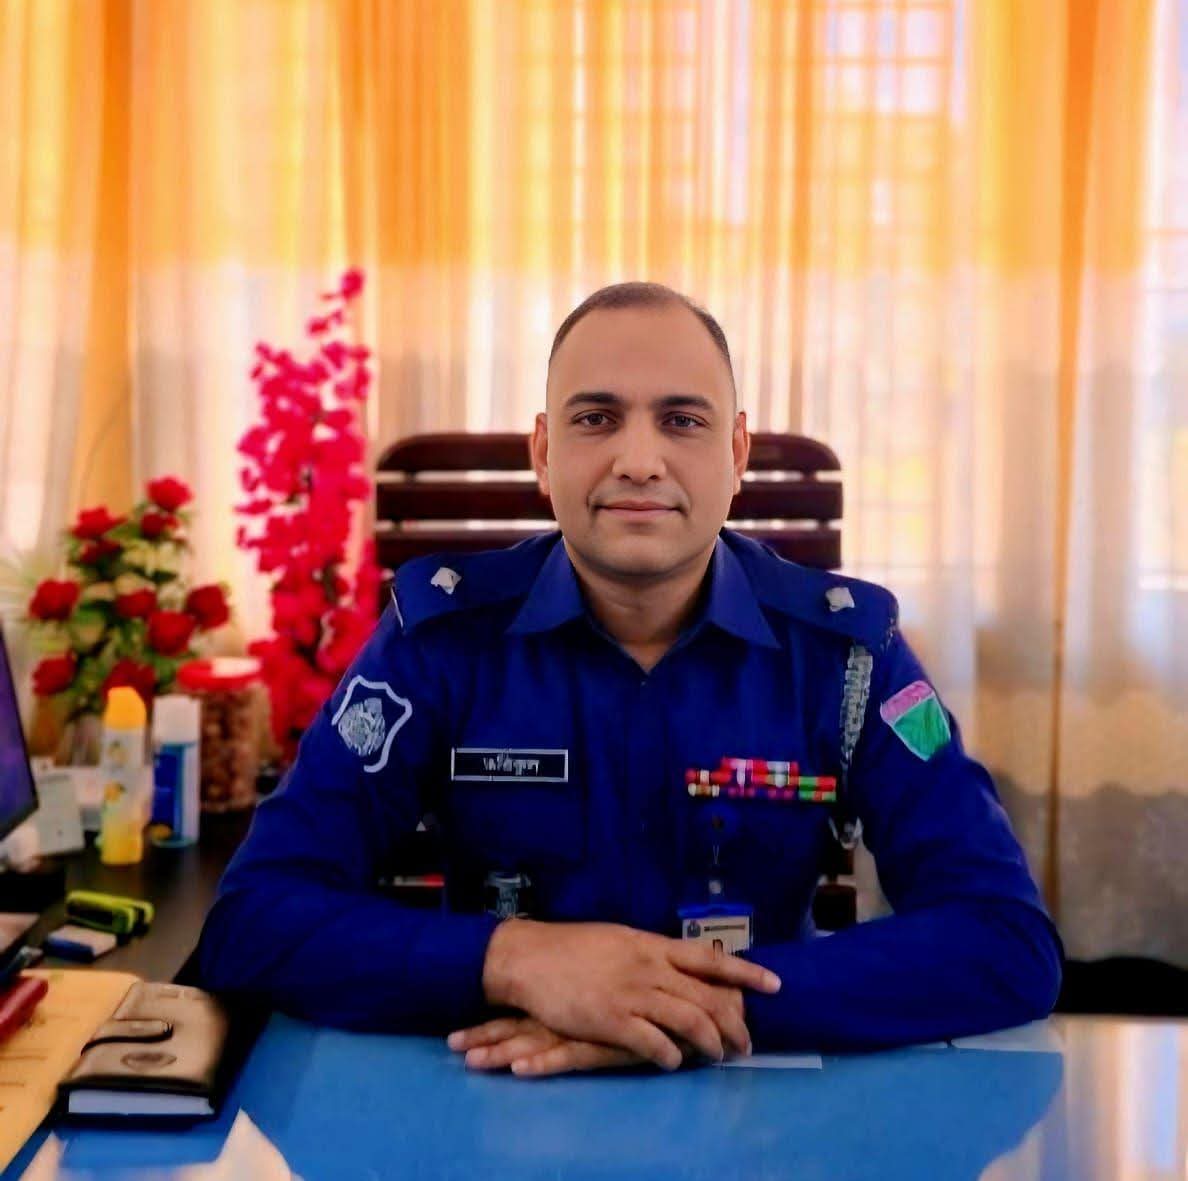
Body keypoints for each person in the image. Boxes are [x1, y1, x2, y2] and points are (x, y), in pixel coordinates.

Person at [198, 282, 1062, 1077]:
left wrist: (697, 1009)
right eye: (596, 418)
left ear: (737, 452)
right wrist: (518, 961)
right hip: (500, 1097)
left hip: (756, 1106)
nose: (639, 459)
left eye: (681, 420)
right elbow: (255, 917)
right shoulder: (439, 644)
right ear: (544, 453)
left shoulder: (846, 657)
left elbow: (1006, 939)